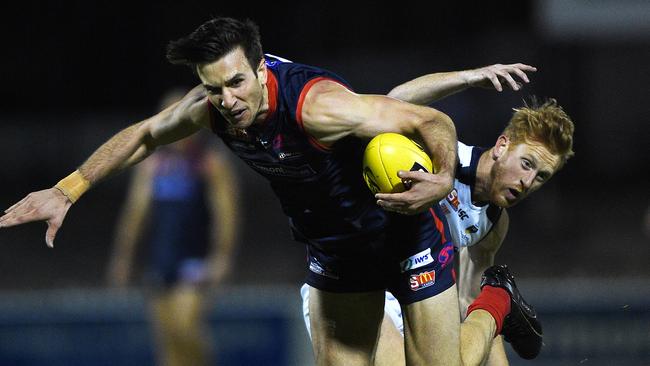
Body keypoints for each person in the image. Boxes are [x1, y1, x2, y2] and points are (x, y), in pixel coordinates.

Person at [0, 17, 536, 365]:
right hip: (336, 252)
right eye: (215, 87)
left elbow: (429, 119)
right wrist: (66, 190)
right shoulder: (210, 109)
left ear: (260, 69)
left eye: (237, 83)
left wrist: (442, 178)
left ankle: (496, 300)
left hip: (405, 234)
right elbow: (144, 134)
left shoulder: (318, 106)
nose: (228, 98)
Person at [302, 70, 575, 365]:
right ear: (501, 146)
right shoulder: (441, 153)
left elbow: (472, 303)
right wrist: (468, 79)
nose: (527, 181)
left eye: (541, 177)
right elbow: (395, 101)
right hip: (353, 277)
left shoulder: (494, 224)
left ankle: (501, 298)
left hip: (420, 296)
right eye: (526, 164)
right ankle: (502, 299)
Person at [106, 89, 240, 366]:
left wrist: (222, 257)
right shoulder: (154, 164)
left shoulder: (209, 162)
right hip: (161, 258)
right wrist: (123, 257)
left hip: (195, 257)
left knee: (186, 329)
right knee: (167, 340)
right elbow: (135, 213)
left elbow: (226, 215)